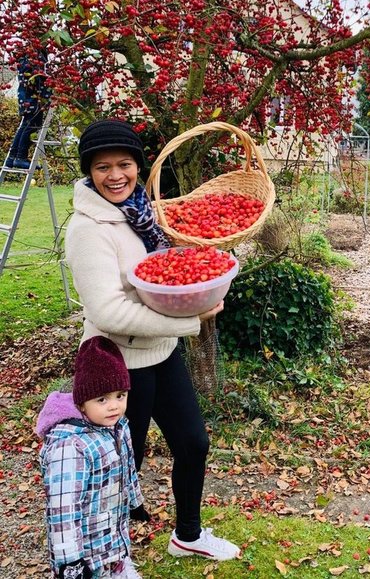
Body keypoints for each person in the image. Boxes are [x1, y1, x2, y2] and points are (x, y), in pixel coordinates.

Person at [64, 118, 240, 562]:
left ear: (138, 167)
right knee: (123, 464)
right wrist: (189, 322)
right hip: (118, 364)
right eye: (102, 167)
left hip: (160, 352)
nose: (116, 175)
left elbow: (164, 274)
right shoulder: (89, 229)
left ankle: (188, 535)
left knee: (193, 442)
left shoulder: (143, 213)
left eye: (125, 163)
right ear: (90, 172)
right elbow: (107, 312)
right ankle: (106, 558)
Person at [36, 336, 143, 579]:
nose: (114, 406)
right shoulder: (71, 446)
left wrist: (135, 500)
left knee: (115, 563)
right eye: (102, 399)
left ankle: (119, 567)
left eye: (120, 395)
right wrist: (70, 563)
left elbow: (127, 467)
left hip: (111, 533)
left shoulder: (117, 425)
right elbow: (62, 509)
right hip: (85, 550)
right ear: (82, 402)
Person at [6, 49, 51, 169]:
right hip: (33, 100)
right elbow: (39, 78)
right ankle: (20, 157)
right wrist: (48, 96)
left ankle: (11, 157)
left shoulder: (26, 57)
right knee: (32, 126)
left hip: (25, 99)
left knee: (25, 126)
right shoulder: (35, 58)